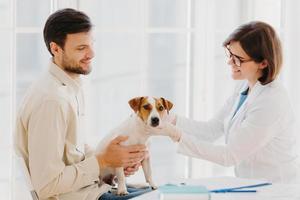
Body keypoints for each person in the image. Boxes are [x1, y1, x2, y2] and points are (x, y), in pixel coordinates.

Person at [14, 8, 150, 200]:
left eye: (91, 44)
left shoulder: (70, 87)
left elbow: (72, 151)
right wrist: (102, 160)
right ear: (55, 49)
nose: (91, 53)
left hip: (93, 189)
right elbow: (46, 185)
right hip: (80, 197)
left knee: (160, 192)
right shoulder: (51, 101)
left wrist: (114, 163)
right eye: (81, 48)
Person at [156, 21, 299, 183]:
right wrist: (169, 118)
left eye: (238, 59)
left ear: (263, 63)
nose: (230, 62)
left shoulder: (272, 102)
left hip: (277, 189)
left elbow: (229, 155)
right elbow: (211, 130)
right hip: (252, 185)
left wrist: (177, 135)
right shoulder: (244, 87)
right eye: (230, 54)